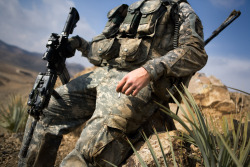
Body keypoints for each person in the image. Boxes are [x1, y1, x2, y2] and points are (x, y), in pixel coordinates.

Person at [18, 0, 207, 166]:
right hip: (103, 74)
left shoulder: (179, 8)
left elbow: (195, 52)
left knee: (92, 149)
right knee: (44, 109)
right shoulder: (131, 11)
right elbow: (104, 52)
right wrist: (78, 44)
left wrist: (149, 70)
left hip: (137, 84)